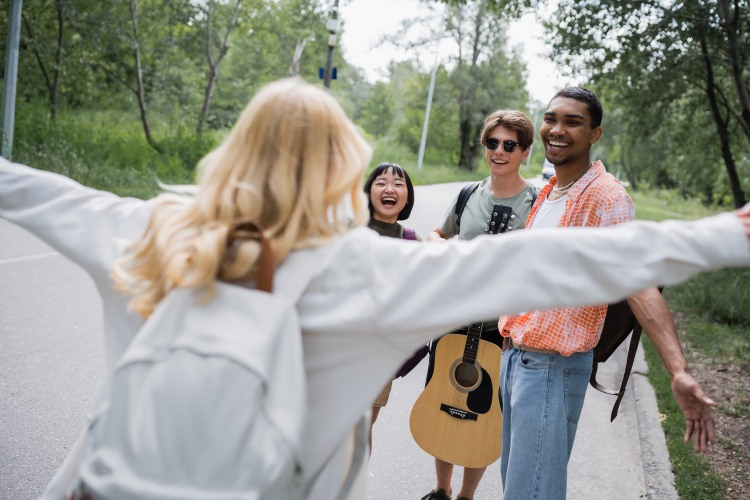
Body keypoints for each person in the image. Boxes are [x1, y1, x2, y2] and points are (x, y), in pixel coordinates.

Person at [1, 78, 749, 500]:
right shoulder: (371, 270)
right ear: (343, 173)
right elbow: (549, 265)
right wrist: (724, 234)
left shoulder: (145, 230)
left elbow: (29, 190)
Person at [498, 86, 722, 500]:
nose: (557, 130)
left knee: (530, 494)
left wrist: (677, 370)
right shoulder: (550, 193)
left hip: (550, 369)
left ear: (595, 134)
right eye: (551, 119)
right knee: (520, 488)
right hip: (515, 361)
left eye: (573, 122)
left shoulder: (607, 197)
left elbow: (639, 282)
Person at [421, 109, 539, 500]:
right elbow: (437, 235)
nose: (499, 151)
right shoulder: (468, 194)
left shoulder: (536, 203)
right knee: (443, 400)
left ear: (524, 151)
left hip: (501, 330)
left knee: (483, 415)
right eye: (493, 143)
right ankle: (441, 490)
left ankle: (466, 496)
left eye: (509, 145)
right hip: (453, 319)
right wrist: (452, 253)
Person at [363, 161, 423, 451]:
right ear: (369, 191)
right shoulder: (350, 232)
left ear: (407, 197)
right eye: (381, 182)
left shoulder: (411, 241)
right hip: (337, 347)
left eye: (398, 184)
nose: (390, 188)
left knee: (362, 429)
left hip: (379, 354)